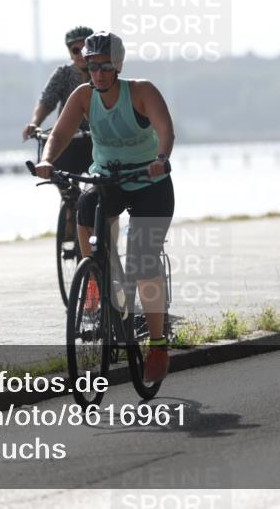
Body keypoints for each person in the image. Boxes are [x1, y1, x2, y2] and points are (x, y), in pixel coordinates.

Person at [33, 31, 175, 383]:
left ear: (118, 66)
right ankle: (96, 276)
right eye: (92, 66)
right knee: (83, 210)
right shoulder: (83, 96)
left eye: (105, 67)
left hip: (149, 181)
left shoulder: (141, 92)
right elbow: (60, 134)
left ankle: (157, 344)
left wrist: (161, 158)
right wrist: (48, 160)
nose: (97, 73)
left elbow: (165, 129)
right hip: (109, 178)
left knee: (143, 260)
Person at [22, 26, 95, 176]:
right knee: (63, 180)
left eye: (86, 49)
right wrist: (35, 123)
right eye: (76, 51)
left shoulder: (103, 73)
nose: (82, 55)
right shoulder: (63, 74)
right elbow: (47, 100)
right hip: (69, 138)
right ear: (70, 54)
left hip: (98, 139)